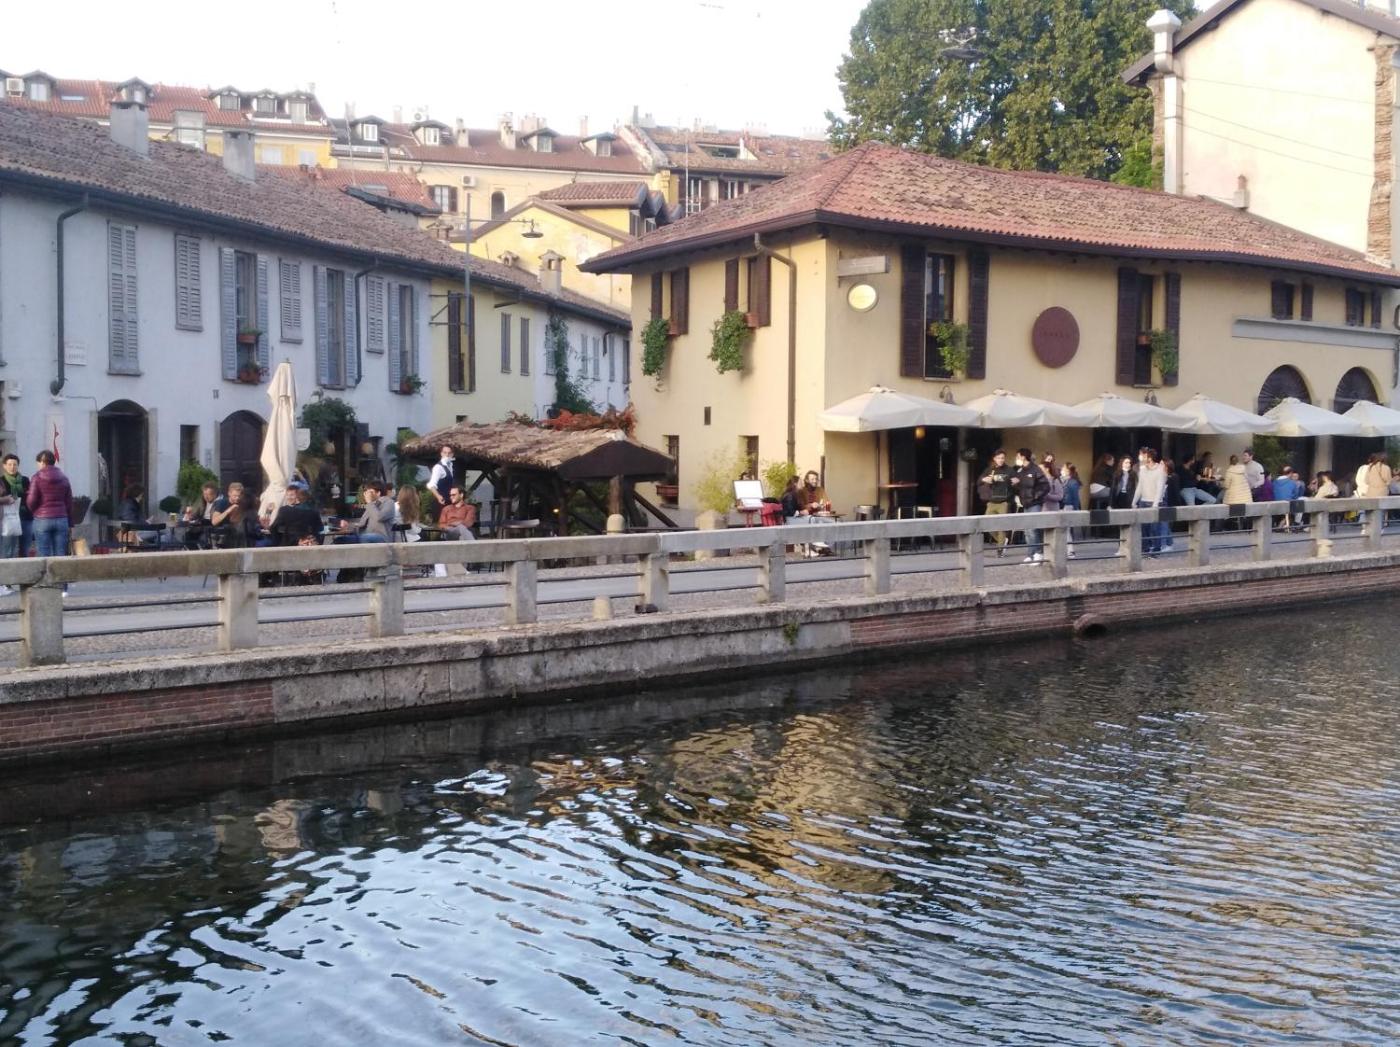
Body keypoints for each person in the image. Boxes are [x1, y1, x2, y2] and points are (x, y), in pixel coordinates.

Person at [27, 450, 73, 559]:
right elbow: (69, 501)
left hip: (42, 519)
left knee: (43, 553)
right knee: (60, 553)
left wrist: (35, 511)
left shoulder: (37, 477)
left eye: (38, 463)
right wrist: (68, 519)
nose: (38, 466)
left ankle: (46, 571)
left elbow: (31, 500)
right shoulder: (64, 478)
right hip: (61, 518)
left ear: (42, 462)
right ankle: (59, 570)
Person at [1010, 448, 1049, 562]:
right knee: (1027, 531)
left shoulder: (1035, 469)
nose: (1016, 458)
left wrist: (1035, 496)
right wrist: (1015, 485)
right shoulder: (1021, 471)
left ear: (1023, 457)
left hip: (1035, 503)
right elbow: (1020, 488)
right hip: (1025, 503)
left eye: (1018, 456)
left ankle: (1038, 553)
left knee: (1033, 529)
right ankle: (1030, 555)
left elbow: (1045, 486)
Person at [1132, 448, 1168, 555]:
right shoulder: (1142, 470)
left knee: (1155, 528)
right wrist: (1134, 501)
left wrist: (1155, 503)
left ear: (1150, 458)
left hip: (1155, 502)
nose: (1141, 458)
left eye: (1144, 456)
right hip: (1143, 501)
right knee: (1144, 528)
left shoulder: (1160, 469)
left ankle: (1156, 550)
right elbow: (1140, 486)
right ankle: (1145, 549)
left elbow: (1160, 488)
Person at [979, 450, 1014, 556]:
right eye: (998, 458)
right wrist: (985, 479)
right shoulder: (990, 469)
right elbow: (979, 480)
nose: (1001, 460)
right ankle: (1002, 541)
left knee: (1001, 526)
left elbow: (1014, 480)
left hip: (1004, 502)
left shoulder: (1009, 470)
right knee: (987, 525)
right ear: (994, 458)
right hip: (991, 501)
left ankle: (1000, 549)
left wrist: (1013, 480)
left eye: (1002, 458)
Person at [268, 481, 322, 546]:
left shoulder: (284, 510)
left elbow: (273, 528)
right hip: (310, 543)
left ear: (297, 496)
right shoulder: (313, 510)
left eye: (292, 495)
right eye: (287, 495)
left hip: (291, 544)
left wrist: (278, 541)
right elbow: (320, 528)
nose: (289, 497)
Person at [1, 454, 33, 561]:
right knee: (9, 550)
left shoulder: (25, 480)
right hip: (8, 518)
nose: (12, 467)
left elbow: (30, 496)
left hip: (25, 517)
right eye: (9, 464)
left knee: (25, 548)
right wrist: (6, 499)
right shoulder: (1, 481)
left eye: (15, 464)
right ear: (4, 466)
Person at [795, 470, 834, 556]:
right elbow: (799, 507)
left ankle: (827, 547)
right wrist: (811, 505)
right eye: (812, 479)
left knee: (833, 523)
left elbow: (826, 503)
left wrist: (821, 506)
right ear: (807, 480)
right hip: (806, 517)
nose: (815, 481)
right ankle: (817, 548)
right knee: (819, 523)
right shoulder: (801, 491)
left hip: (819, 515)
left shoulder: (820, 490)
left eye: (816, 479)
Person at [428, 446, 456, 511]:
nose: (447, 455)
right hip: (440, 502)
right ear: (441, 453)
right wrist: (438, 496)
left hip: (448, 502)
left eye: (449, 453)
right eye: (445, 452)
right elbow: (431, 485)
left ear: (452, 454)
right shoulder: (438, 467)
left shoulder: (450, 466)